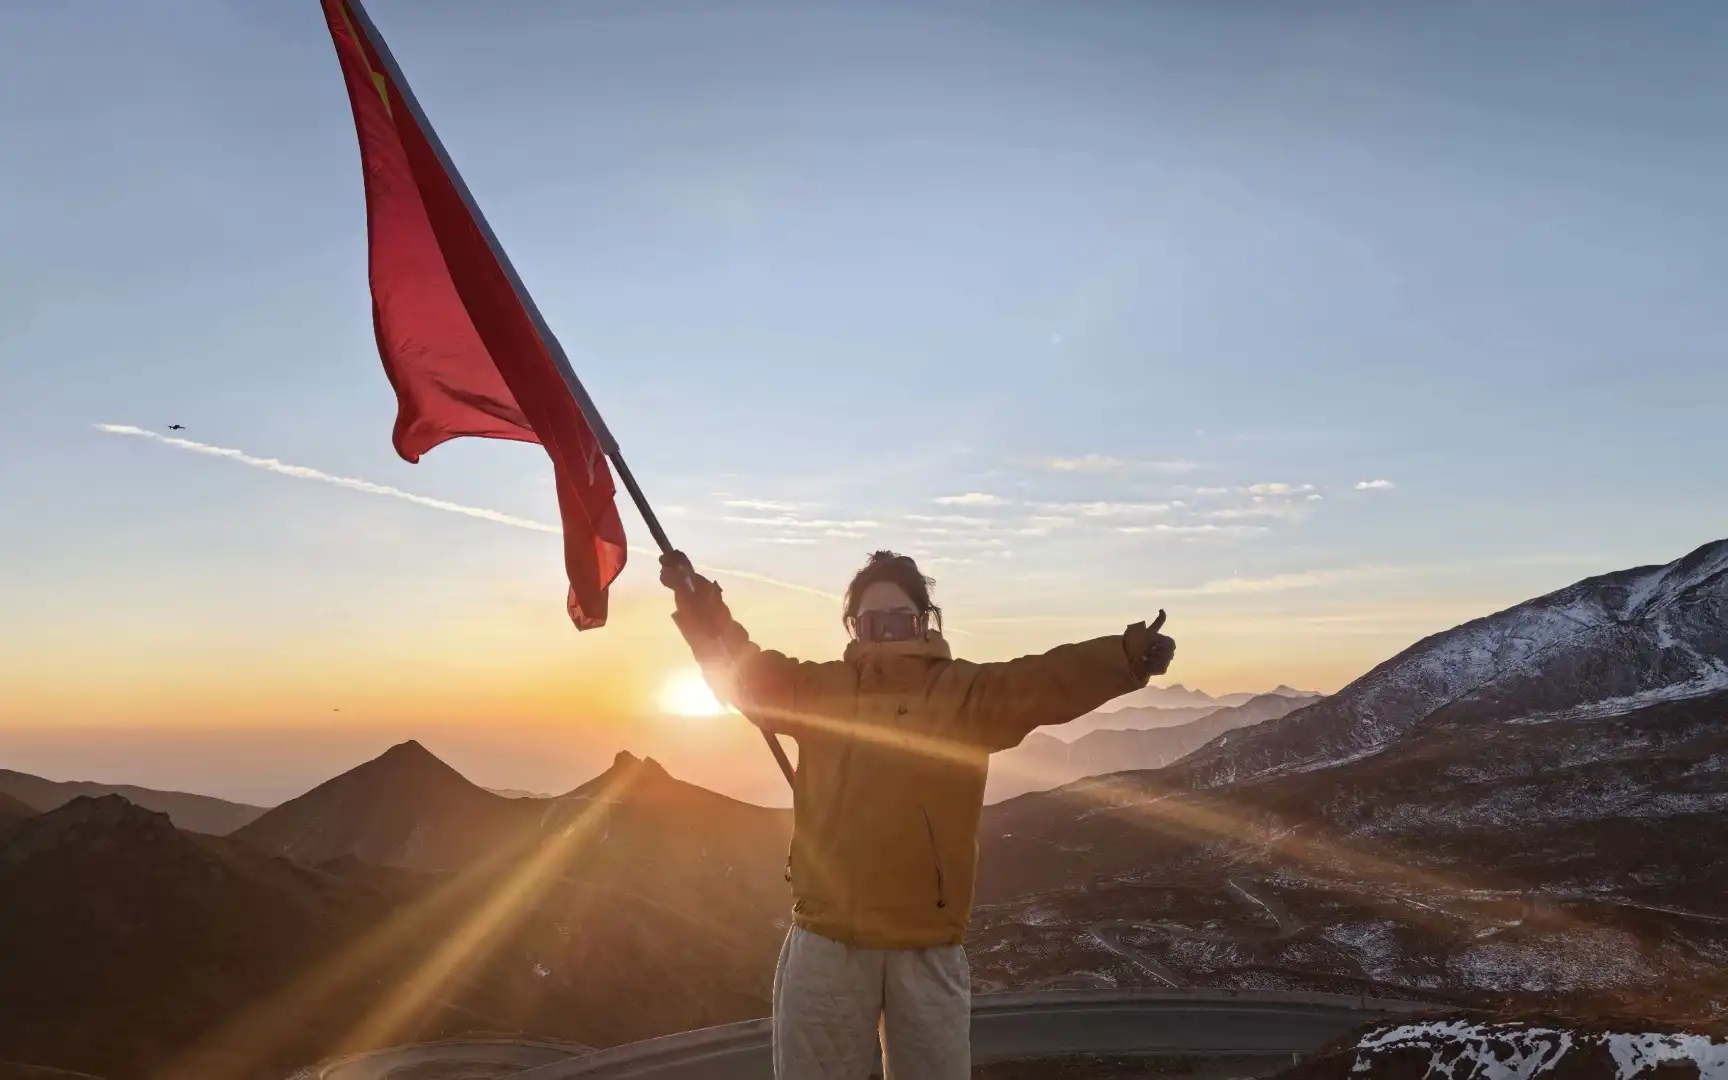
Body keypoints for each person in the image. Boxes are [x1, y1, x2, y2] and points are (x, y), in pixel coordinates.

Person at [660, 549, 1175, 1080]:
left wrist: (1125, 656)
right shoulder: (818, 690)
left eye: (898, 621)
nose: (885, 635)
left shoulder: (965, 694)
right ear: (854, 627)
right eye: (870, 622)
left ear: (924, 622)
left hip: (925, 942)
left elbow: (1044, 679)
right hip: (828, 938)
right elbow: (742, 670)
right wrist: (701, 608)